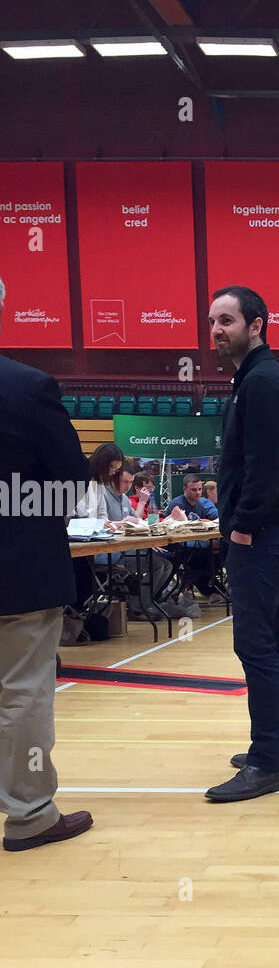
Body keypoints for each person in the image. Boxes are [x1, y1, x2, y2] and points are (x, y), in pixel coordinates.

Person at [0, 275, 93, 851]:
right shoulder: (26, 387)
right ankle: (29, 812)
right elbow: (71, 483)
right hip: (20, 568)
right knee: (24, 690)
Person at [205, 285, 279, 801]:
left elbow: (264, 467)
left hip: (263, 533)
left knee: (256, 643)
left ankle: (267, 762)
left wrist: (242, 525)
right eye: (213, 322)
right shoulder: (255, 379)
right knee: (278, 638)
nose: (217, 331)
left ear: (256, 325)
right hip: (275, 530)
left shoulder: (262, 382)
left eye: (227, 320)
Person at [164, 474, 221, 602]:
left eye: (200, 489)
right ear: (185, 489)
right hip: (178, 545)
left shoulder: (200, 504)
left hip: (196, 544)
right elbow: (174, 530)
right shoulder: (177, 504)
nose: (198, 492)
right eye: (194, 490)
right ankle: (206, 587)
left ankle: (209, 587)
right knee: (202, 556)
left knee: (219, 552)